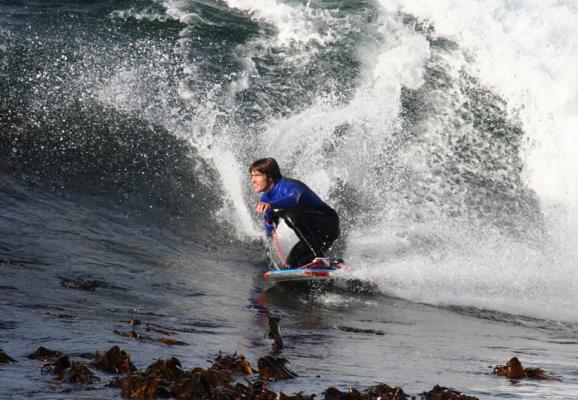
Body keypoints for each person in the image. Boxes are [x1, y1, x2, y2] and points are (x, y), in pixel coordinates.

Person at [249, 157, 340, 268]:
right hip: (313, 238)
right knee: (291, 266)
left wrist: (271, 205)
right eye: (252, 176)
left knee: (290, 216)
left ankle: (320, 259)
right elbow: (271, 223)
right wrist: (268, 238)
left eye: (257, 175)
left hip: (328, 223)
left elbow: (293, 199)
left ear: (270, 176)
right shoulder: (265, 199)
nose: (253, 180)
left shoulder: (288, 186)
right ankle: (336, 265)